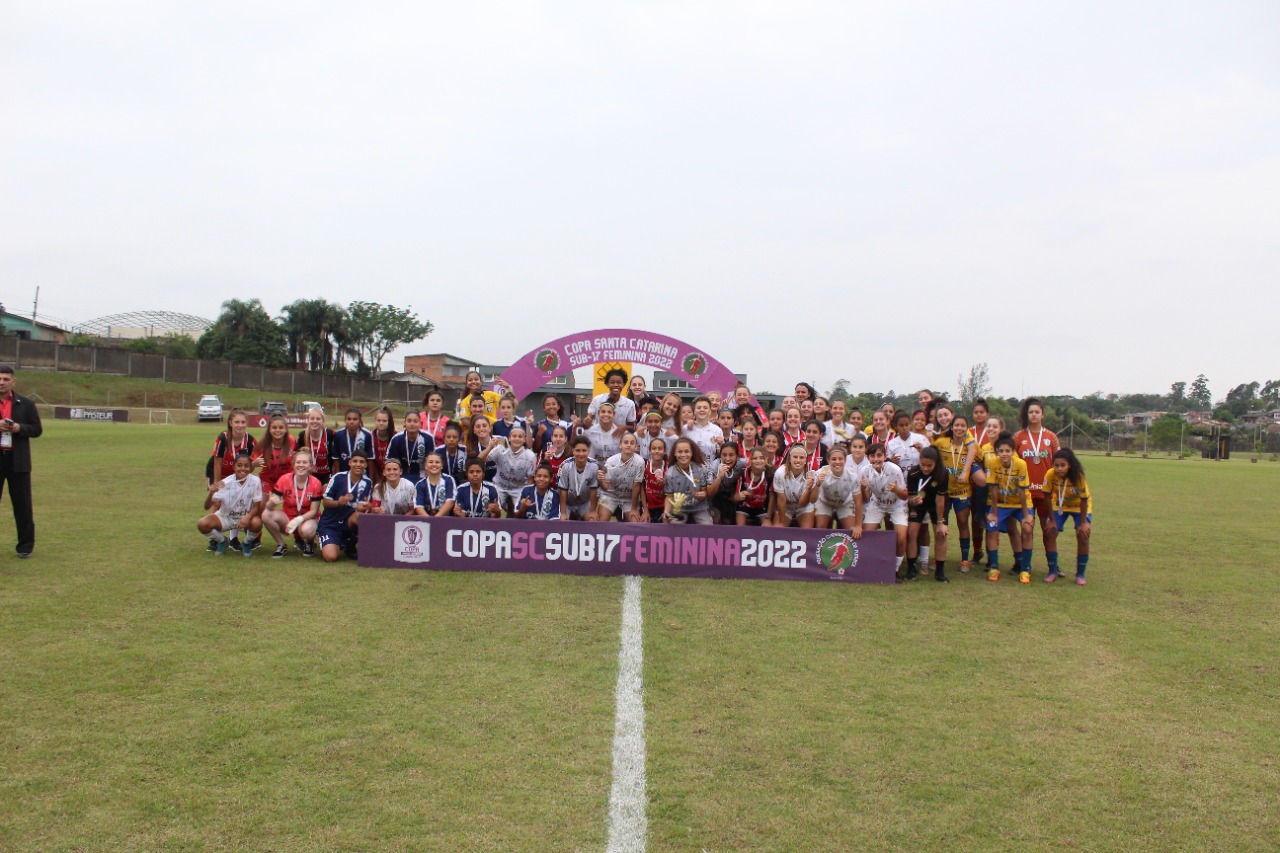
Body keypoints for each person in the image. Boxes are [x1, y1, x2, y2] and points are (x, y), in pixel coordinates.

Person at [1015, 397, 1061, 573]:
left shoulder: (1051, 437)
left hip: (1046, 493)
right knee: (1026, 529)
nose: (1033, 415)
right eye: (1030, 412)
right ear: (1026, 415)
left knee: (1049, 530)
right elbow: (1012, 463)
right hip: (1025, 493)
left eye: (1037, 412)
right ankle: (1024, 565)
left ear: (1043, 414)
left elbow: (1060, 462)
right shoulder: (1019, 437)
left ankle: (1053, 566)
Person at [0, 365, 40, 557]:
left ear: (13, 382)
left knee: (23, 506)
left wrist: (18, 428)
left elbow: (36, 429)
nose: (1, 382)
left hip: (18, 461)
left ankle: (25, 547)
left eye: (6, 379)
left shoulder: (26, 404)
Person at [984, 434, 1031, 583]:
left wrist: (1026, 516)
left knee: (1027, 528)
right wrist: (994, 514)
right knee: (992, 528)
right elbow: (993, 489)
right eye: (1001, 451)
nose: (1004, 454)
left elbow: (1022, 492)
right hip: (1002, 505)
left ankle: (1025, 569)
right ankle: (994, 568)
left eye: (1007, 451)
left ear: (1013, 451)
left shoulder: (1021, 464)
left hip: (1020, 504)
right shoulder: (993, 463)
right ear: (997, 451)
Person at [197, 452, 264, 557]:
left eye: (246, 466)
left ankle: (246, 543)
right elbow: (206, 507)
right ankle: (222, 541)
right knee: (202, 523)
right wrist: (211, 494)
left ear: (251, 467)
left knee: (257, 523)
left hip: (243, 518)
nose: (243, 469)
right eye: (239, 465)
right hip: (226, 517)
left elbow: (256, 507)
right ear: (234, 467)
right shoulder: (224, 483)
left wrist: (247, 517)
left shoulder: (255, 481)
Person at [1042, 448, 1093, 585]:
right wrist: (1052, 521)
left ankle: (1080, 574)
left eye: (1063, 465)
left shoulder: (1078, 476)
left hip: (1079, 506)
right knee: (1050, 532)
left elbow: (1084, 500)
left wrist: (1083, 523)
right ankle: (1052, 571)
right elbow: (1046, 496)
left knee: (1083, 535)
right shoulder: (1050, 474)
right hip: (1059, 505)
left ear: (1069, 465)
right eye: (1056, 465)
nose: (1059, 468)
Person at [262, 448, 322, 557]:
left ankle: (309, 542)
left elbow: (314, 511)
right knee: (266, 514)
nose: (301, 465)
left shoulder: (316, 483)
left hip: (307, 519)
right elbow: (269, 507)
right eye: (298, 462)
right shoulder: (284, 479)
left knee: (307, 530)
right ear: (293, 465)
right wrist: (271, 503)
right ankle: (281, 545)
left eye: (305, 462)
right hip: (288, 518)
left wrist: (298, 520)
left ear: (310, 466)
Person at [317, 450, 373, 562]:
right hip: (330, 523)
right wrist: (338, 502)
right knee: (331, 557)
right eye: (355, 461)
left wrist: (367, 507)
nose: (358, 464)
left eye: (362, 462)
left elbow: (361, 506)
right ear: (349, 463)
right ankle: (331, 540)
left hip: (348, 522)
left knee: (361, 517)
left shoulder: (367, 482)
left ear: (366, 465)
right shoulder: (338, 477)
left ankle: (352, 544)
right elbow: (325, 502)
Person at [861, 443, 908, 575]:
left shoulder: (895, 470)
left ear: (885, 457)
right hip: (877, 504)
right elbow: (866, 498)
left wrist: (896, 490)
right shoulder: (865, 471)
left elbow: (905, 496)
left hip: (897, 505)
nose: (876, 459)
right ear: (868, 458)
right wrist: (864, 488)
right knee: (866, 534)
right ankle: (871, 564)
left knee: (901, 537)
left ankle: (895, 570)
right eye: (872, 456)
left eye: (879, 455)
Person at [906, 446, 950, 582]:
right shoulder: (913, 473)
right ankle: (911, 569)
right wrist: (913, 500)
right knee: (911, 533)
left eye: (929, 465)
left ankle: (940, 572)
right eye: (923, 464)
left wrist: (940, 522)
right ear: (919, 461)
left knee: (941, 534)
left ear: (936, 463)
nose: (925, 468)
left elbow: (940, 500)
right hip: (918, 504)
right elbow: (909, 498)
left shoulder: (942, 474)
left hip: (936, 504)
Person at [812, 445, 864, 533]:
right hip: (825, 502)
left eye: (840, 459)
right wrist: (817, 484)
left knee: (851, 530)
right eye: (834, 459)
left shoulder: (853, 475)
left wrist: (858, 526)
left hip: (844, 503)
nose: (837, 462)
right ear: (828, 461)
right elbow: (812, 499)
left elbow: (858, 501)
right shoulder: (820, 473)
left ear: (845, 460)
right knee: (820, 528)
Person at [486, 426, 537, 515]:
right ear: (509, 438)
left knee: (520, 511)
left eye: (520, 436)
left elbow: (530, 479)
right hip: (499, 485)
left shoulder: (530, 456)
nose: (517, 439)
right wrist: (491, 447)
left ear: (524, 440)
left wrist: (528, 495)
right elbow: (483, 460)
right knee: (494, 510)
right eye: (514, 436)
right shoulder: (500, 449)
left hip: (519, 487)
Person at [663, 437, 714, 525]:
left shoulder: (700, 469)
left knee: (708, 525)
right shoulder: (670, 474)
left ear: (691, 453)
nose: (683, 455)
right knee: (674, 525)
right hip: (679, 509)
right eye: (680, 452)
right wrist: (666, 512)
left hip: (699, 507)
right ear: (675, 453)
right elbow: (669, 497)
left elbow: (705, 491)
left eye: (686, 451)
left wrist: (703, 494)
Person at [596, 432, 645, 521]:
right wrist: (601, 480)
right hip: (610, 495)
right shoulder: (611, 461)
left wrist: (634, 508)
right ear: (620, 445)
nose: (628, 445)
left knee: (635, 523)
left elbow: (636, 486)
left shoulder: (640, 462)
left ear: (636, 447)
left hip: (629, 498)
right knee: (601, 521)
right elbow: (606, 487)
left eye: (632, 443)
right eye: (626, 442)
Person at [771, 443, 816, 528]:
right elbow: (781, 501)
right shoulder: (779, 473)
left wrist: (808, 488)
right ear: (789, 459)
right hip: (786, 506)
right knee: (778, 529)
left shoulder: (810, 475)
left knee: (807, 531)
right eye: (795, 457)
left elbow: (803, 503)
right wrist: (782, 522)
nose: (798, 460)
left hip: (803, 507)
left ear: (806, 460)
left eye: (801, 457)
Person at [253, 414, 295, 501]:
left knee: (293, 502)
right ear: (269, 429)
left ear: (286, 429)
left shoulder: (292, 441)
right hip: (268, 480)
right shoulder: (262, 444)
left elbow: (299, 456)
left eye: (281, 427)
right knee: (264, 503)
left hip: (287, 479)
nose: (277, 430)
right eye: (274, 427)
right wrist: (253, 464)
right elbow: (248, 467)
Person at [386, 411, 435, 484]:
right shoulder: (397, 439)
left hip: (422, 477)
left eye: (415, 421)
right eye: (409, 421)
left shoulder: (428, 438)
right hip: (401, 477)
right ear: (405, 423)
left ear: (420, 424)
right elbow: (390, 461)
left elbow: (433, 460)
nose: (412, 424)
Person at [558, 436, 599, 521]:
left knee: (592, 520)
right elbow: (563, 490)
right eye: (578, 450)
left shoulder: (594, 466)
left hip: (584, 502)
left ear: (589, 451)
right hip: (568, 503)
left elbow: (593, 490)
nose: (581, 454)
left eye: (584, 450)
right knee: (562, 521)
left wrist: (592, 511)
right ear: (573, 451)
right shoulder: (566, 466)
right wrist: (563, 513)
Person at [584, 368, 637, 432]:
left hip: (619, 437)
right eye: (612, 382)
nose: (616, 385)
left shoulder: (629, 404)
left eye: (619, 382)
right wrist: (588, 420)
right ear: (607, 384)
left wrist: (624, 427)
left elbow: (632, 427)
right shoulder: (597, 400)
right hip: (599, 436)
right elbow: (589, 418)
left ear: (624, 384)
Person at [733, 447, 772, 527]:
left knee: (768, 528)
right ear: (750, 460)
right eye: (755, 458)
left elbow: (772, 498)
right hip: (745, 506)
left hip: (762, 507)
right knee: (740, 527)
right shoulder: (743, 473)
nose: (758, 461)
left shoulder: (770, 474)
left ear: (766, 460)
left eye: (761, 458)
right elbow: (735, 497)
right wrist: (740, 495)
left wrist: (768, 516)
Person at [707, 442, 744, 524]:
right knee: (717, 518)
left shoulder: (742, 464)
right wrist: (719, 477)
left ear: (737, 456)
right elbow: (709, 493)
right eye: (724, 455)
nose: (727, 459)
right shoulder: (714, 466)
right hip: (716, 497)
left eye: (731, 455)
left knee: (730, 520)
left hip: (732, 496)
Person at [296, 407, 333, 485]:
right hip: (309, 473)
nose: (315, 421)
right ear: (308, 420)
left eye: (318, 419)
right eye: (312, 418)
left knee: (326, 492)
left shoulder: (330, 434)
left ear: (323, 421)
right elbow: (298, 456)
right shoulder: (303, 435)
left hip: (326, 474)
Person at [414, 452, 456, 517]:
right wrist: (429, 520)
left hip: (446, 519)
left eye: (437, 462)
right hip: (426, 519)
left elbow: (450, 501)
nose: (434, 464)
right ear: (425, 466)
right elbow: (418, 507)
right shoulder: (420, 484)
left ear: (442, 466)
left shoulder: (449, 480)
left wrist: (436, 519)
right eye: (430, 462)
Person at [333, 408, 373, 474]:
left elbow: (370, 459)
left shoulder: (366, 435)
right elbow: (336, 459)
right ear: (345, 420)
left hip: (362, 474)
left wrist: (370, 478)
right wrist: (337, 475)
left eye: (355, 419)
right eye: (349, 419)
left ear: (359, 420)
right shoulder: (338, 435)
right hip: (344, 473)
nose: (351, 422)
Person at [584, 402, 623, 469]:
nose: (606, 414)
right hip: (594, 470)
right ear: (598, 413)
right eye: (603, 412)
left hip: (614, 470)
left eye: (609, 412)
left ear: (614, 414)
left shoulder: (620, 433)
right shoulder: (589, 432)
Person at [638, 438, 668, 523]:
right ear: (650, 451)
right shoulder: (644, 465)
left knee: (668, 523)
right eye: (654, 448)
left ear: (665, 451)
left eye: (660, 448)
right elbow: (641, 488)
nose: (657, 451)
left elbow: (671, 493)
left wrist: (664, 485)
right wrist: (645, 511)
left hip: (664, 505)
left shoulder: (669, 467)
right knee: (644, 522)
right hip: (648, 505)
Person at [368, 406, 395, 483]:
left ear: (389, 422)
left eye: (384, 421)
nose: (381, 423)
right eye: (378, 420)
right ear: (375, 421)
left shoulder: (395, 437)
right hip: (375, 474)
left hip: (391, 473)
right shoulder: (370, 436)